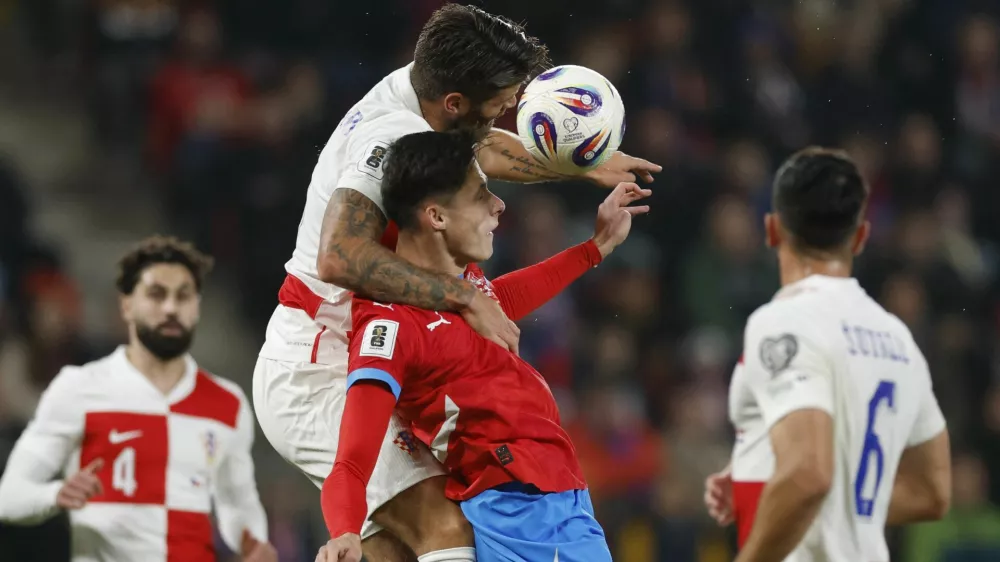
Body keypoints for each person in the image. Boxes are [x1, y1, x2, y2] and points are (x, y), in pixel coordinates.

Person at [252, 4, 660, 561]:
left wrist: (579, 166)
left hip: (379, 352)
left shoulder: (422, 91)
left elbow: (478, 146)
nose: (505, 117)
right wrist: (465, 297)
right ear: (454, 103)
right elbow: (339, 254)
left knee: (400, 545)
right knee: (446, 535)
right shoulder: (388, 138)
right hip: (320, 363)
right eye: (497, 106)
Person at [317, 129, 648, 562]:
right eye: (480, 196)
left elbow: (501, 301)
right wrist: (343, 530)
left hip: (557, 497)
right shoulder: (389, 325)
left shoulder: (461, 284)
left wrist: (594, 249)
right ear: (436, 217)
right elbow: (352, 461)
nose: (499, 205)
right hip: (517, 510)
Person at [703, 147, 952, 561]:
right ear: (859, 237)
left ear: (772, 229)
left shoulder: (784, 320)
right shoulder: (896, 338)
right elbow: (932, 492)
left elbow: (808, 474)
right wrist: (767, 479)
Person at [0, 236, 276, 562]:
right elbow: (9, 498)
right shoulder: (78, 389)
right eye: (157, 294)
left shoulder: (227, 403)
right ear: (127, 305)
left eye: (184, 295)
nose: (171, 308)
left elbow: (237, 505)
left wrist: (253, 543)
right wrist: (55, 493)